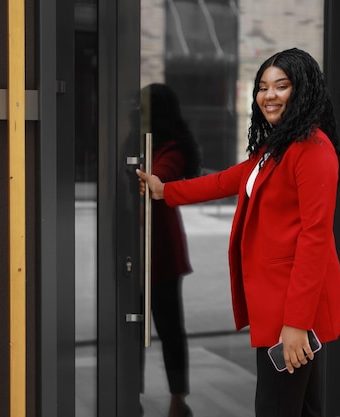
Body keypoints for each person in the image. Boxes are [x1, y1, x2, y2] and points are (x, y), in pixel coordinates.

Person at [136, 48, 340, 417]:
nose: (269, 95)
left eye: (281, 86)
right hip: (276, 304)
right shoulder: (277, 147)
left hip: (290, 310)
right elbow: (226, 180)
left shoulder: (313, 149)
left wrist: (297, 324)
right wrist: (165, 191)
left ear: (304, 90)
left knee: (275, 407)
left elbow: (316, 238)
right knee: (304, 408)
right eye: (262, 87)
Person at [141, 83, 201, 417]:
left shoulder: (172, 148)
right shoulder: (141, 142)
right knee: (131, 328)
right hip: (136, 251)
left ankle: (178, 398)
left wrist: (150, 181)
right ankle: (129, 389)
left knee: (168, 329)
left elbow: (162, 179)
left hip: (161, 252)